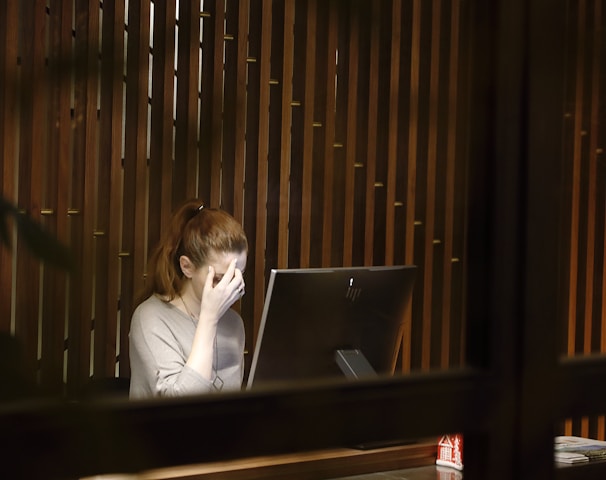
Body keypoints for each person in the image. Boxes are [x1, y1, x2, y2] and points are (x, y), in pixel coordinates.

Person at [129, 200, 248, 399]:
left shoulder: (234, 323)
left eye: (238, 276)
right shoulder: (149, 317)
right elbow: (180, 408)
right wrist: (209, 319)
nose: (231, 287)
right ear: (187, 267)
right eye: (219, 278)